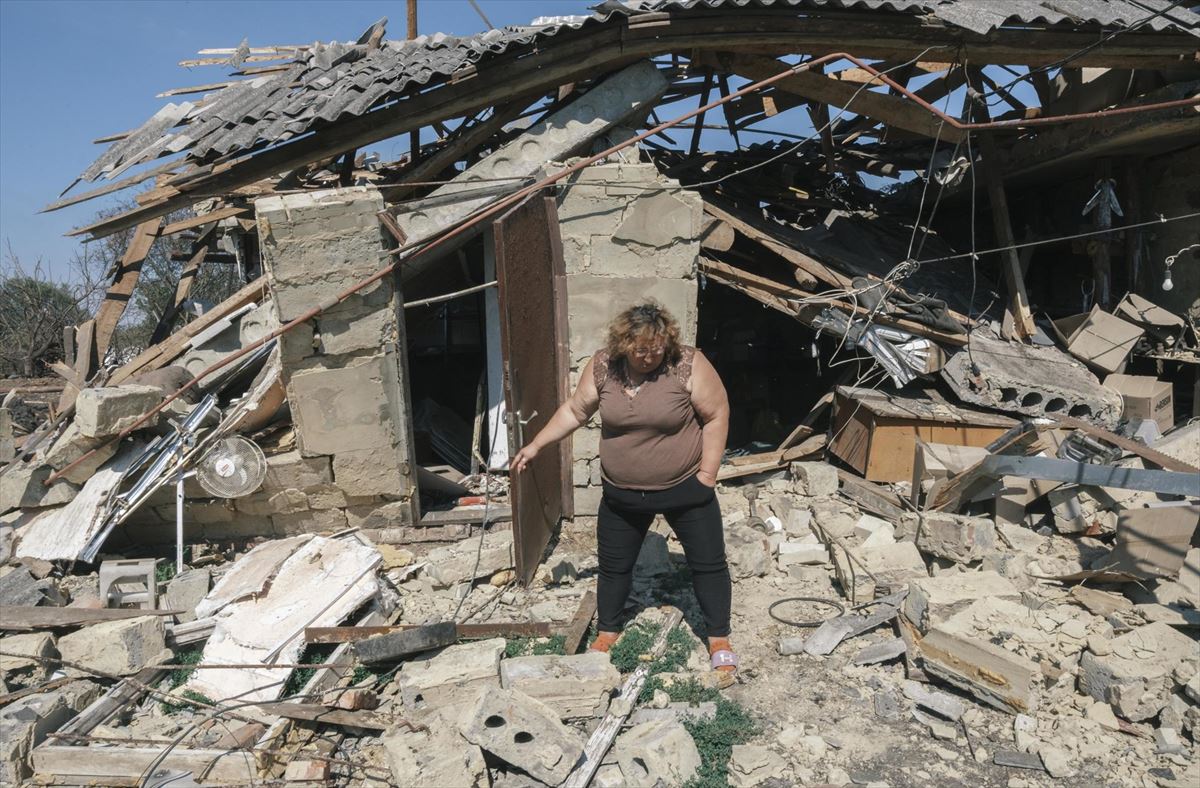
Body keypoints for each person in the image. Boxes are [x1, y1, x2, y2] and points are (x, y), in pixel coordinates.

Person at [511, 301, 737, 679]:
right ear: (622, 345)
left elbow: (717, 413)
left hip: (685, 488)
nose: (648, 356)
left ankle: (719, 639)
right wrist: (536, 445)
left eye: (656, 348)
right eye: (639, 349)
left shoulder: (687, 364)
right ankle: (607, 632)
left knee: (708, 564)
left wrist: (708, 475)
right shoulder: (603, 367)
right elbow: (575, 411)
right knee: (614, 568)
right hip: (622, 493)